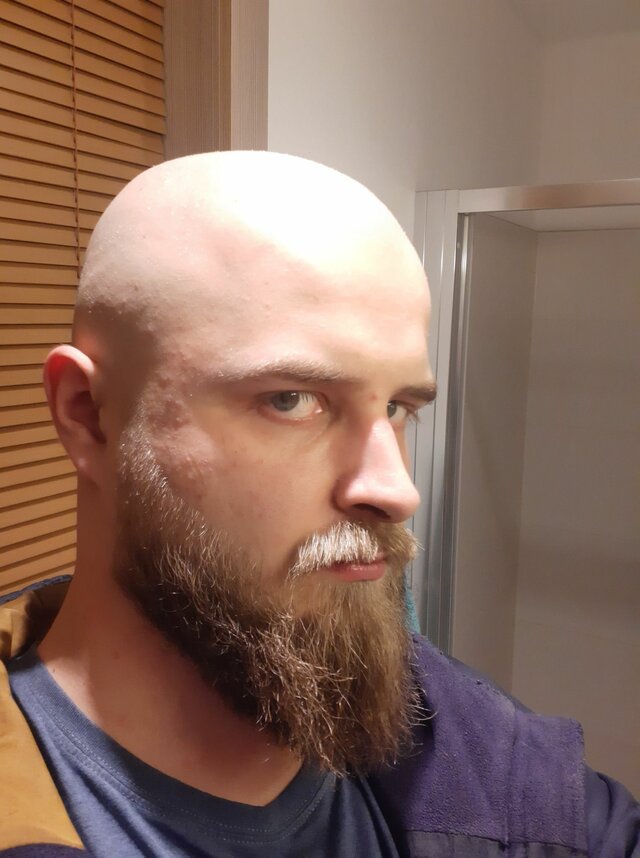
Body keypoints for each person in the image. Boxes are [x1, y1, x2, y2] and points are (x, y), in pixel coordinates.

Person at [0, 152, 637, 858]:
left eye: (397, 407)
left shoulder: (491, 762)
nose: (396, 490)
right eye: (291, 400)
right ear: (88, 415)